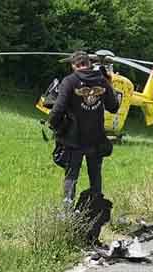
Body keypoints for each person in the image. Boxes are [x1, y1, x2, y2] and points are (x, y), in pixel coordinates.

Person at [48, 51, 119, 204]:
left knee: (71, 176)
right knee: (95, 175)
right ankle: (96, 208)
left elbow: (58, 109)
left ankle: (67, 212)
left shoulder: (69, 81)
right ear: (89, 63)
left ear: (74, 65)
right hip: (96, 139)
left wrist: (53, 125)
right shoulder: (102, 80)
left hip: (74, 140)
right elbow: (114, 107)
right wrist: (108, 87)